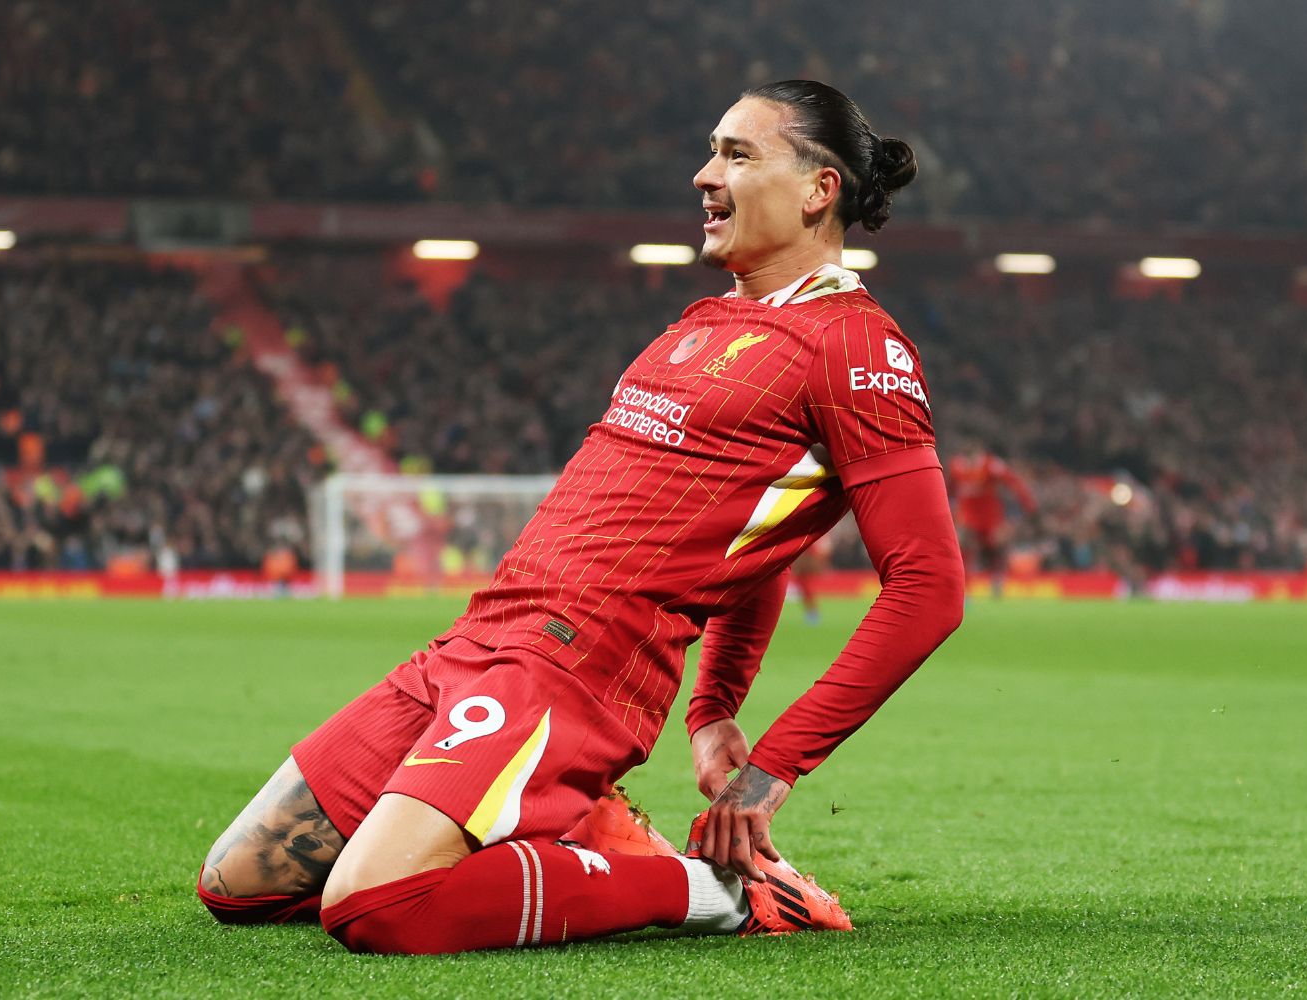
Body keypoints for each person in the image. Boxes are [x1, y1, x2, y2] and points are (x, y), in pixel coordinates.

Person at [198, 79, 965, 955]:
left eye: (738, 155)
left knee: (375, 907)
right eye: (713, 149)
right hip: (474, 645)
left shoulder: (858, 345)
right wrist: (713, 710)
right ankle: (577, 825)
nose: (703, 176)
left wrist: (768, 773)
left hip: (573, 667)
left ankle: (719, 894)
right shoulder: (700, 324)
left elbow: (930, 587)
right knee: (239, 881)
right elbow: (752, 546)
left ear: (818, 190)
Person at [947, 439, 1036, 597]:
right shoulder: (955, 467)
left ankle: (997, 581)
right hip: (968, 516)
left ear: (979, 454)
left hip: (991, 516)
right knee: (964, 548)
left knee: (994, 547)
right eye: (967, 458)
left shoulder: (991, 464)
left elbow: (1012, 481)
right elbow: (949, 490)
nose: (970, 462)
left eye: (973, 457)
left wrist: (1028, 504)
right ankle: (965, 589)